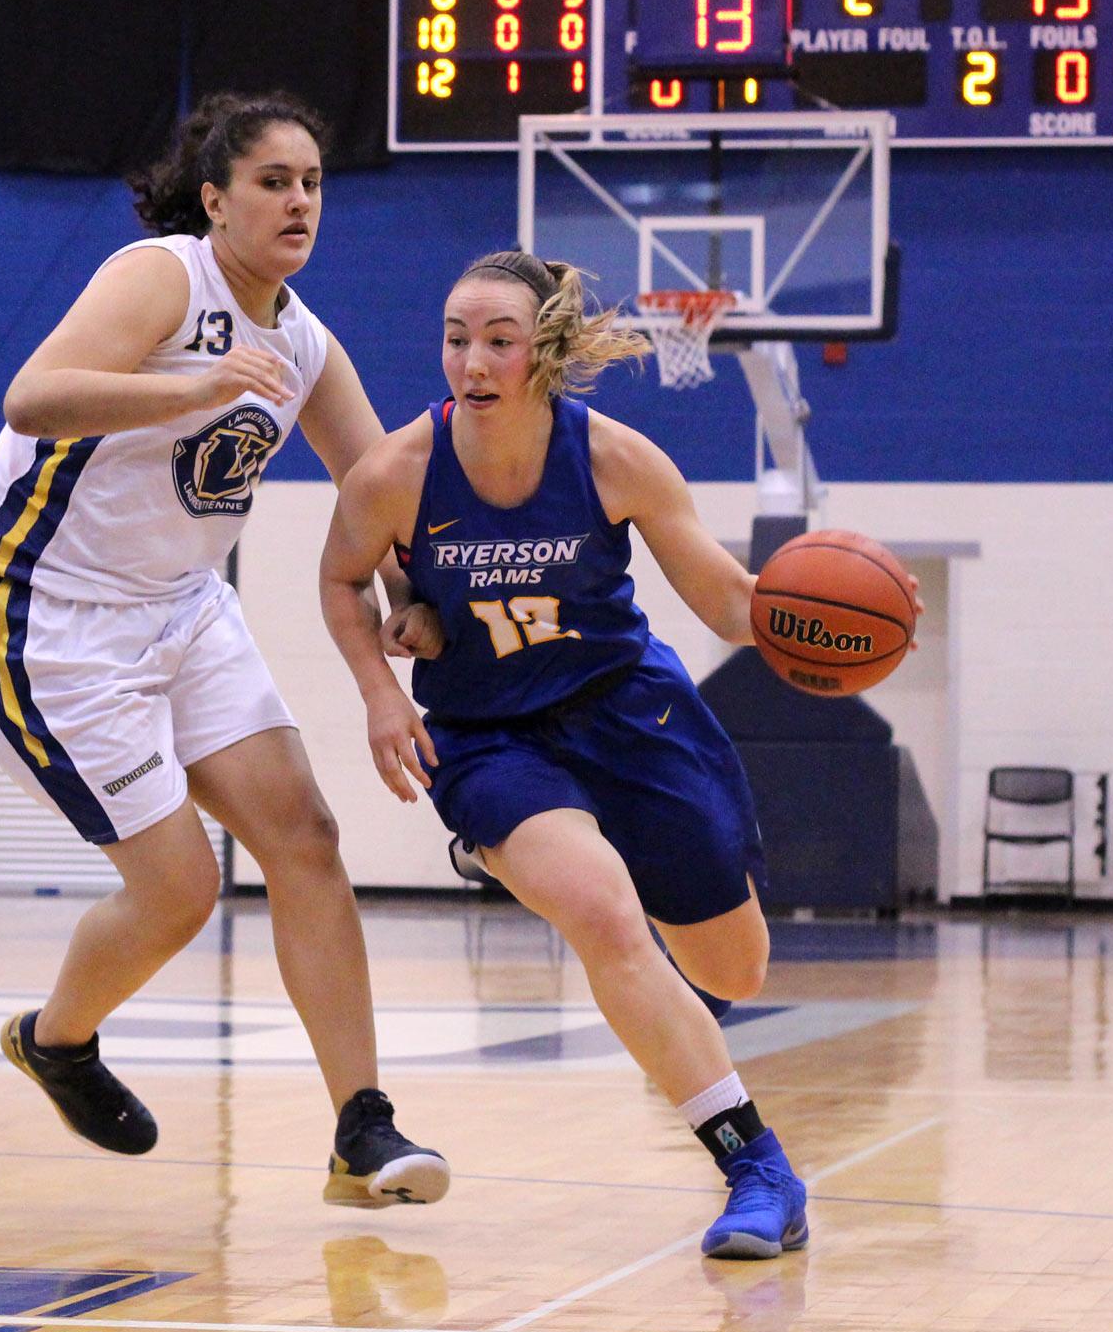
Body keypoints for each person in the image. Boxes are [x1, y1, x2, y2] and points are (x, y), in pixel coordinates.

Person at [318, 250, 917, 1260]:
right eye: (456, 339)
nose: (472, 361)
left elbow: (726, 601)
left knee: (734, 967)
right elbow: (341, 578)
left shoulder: (615, 459)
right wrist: (381, 693)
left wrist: (825, 616)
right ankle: (759, 1170)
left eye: (499, 340)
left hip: (629, 714)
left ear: (545, 351)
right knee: (603, 917)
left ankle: (617, 906)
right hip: (491, 735)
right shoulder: (398, 472)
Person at [0, 92, 447, 1207]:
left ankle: (361, 1128)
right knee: (180, 891)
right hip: (52, 616)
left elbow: (374, 485)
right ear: (216, 199)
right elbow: (31, 399)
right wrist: (189, 388)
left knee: (306, 837)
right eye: (274, 181)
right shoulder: (164, 277)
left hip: (184, 609)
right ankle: (56, 1039)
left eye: (312, 183)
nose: (299, 201)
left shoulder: (303, 339)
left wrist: (409, 598)